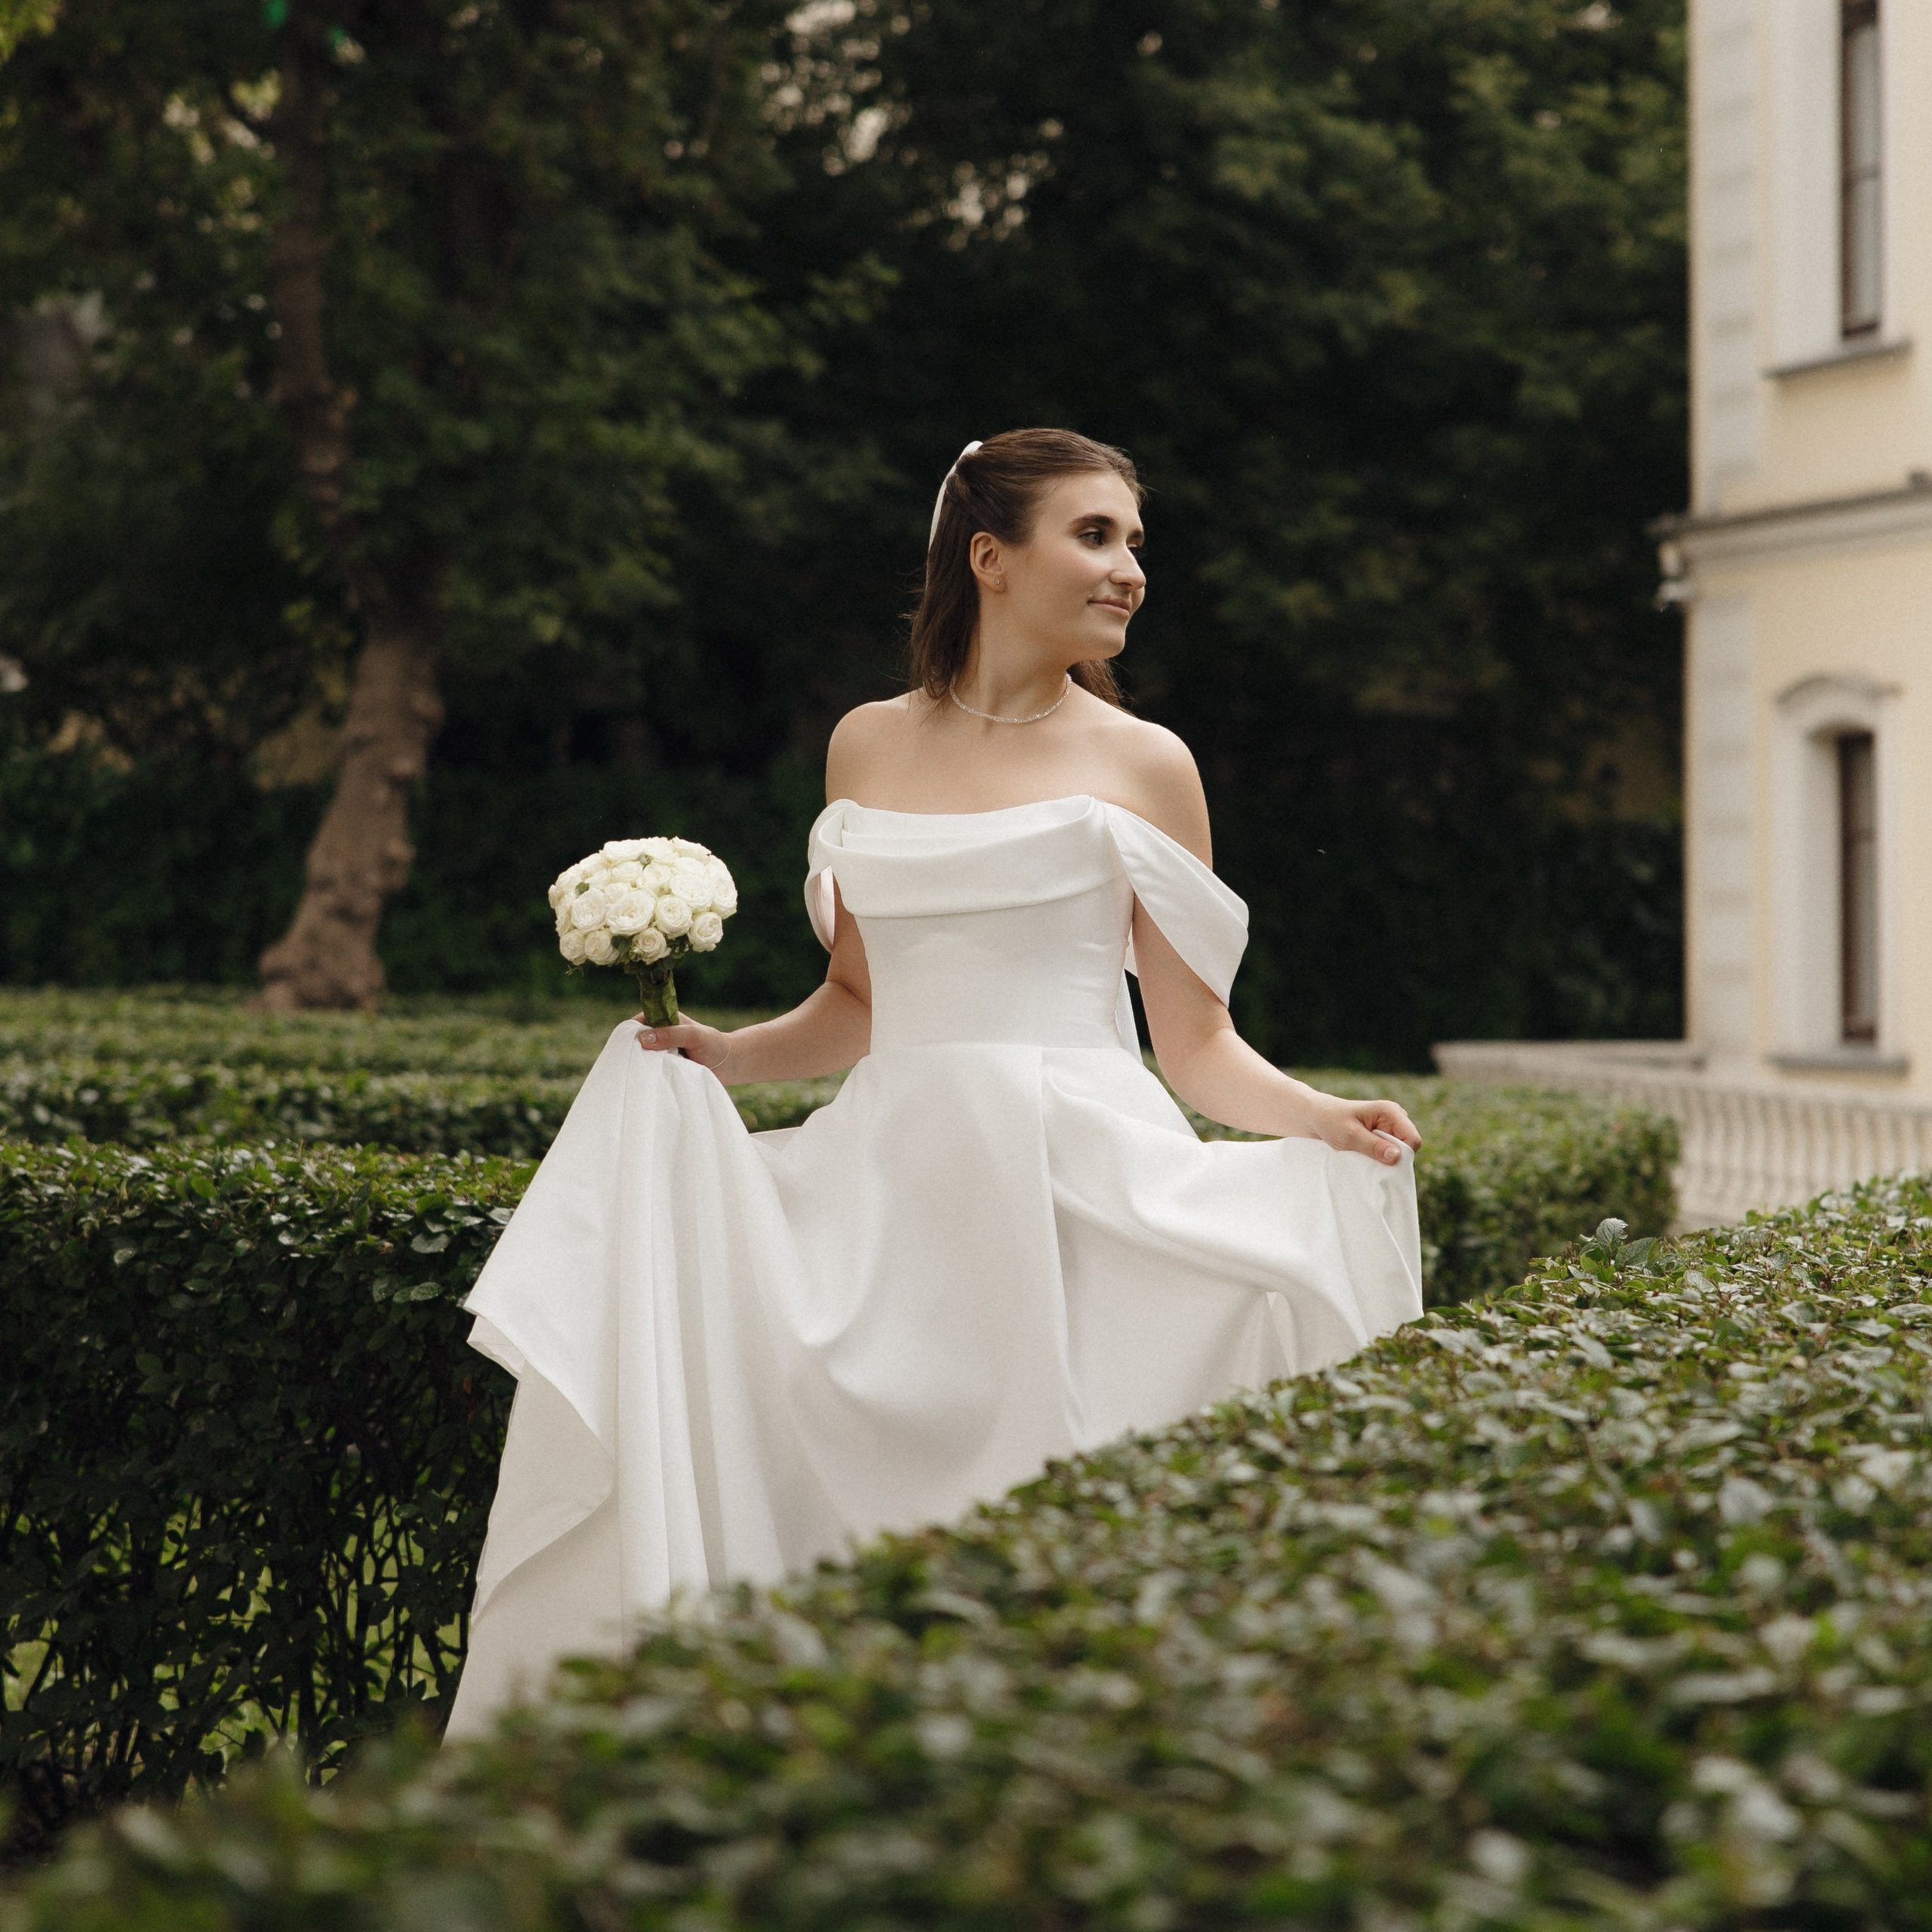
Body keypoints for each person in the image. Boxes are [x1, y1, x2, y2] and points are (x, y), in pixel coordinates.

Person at [445, 429, 1423, 1739]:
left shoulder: (1150, 765)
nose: (1132, 569)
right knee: (853, 1521)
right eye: (1097, 536)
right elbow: (857, 1003)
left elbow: (1193, 1045)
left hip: (1079, 1193)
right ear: (989, 557)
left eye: (1137, 543)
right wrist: (725, 1057)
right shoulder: (865, 745)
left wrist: (1321, 1119)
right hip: (892, 1196)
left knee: (1056, 1526)